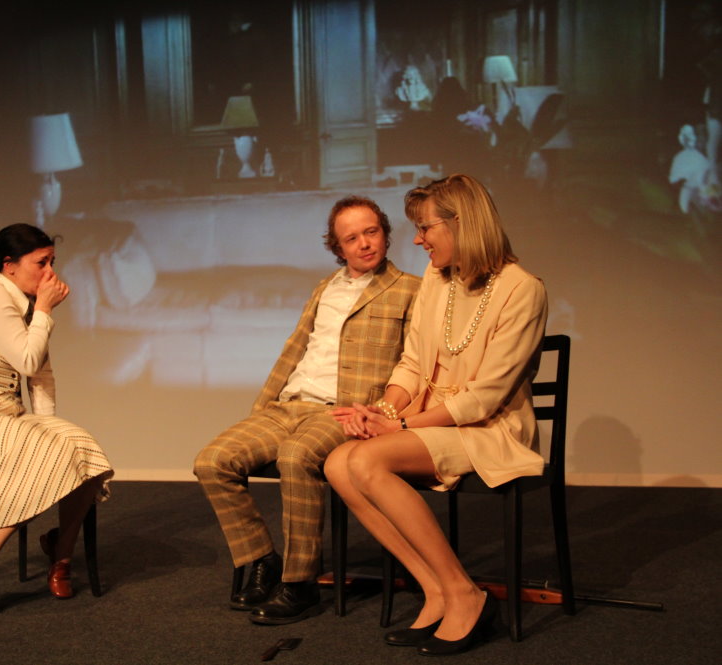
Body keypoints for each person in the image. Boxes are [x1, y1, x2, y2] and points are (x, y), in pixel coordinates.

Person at [324, 174, 547, 655]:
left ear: (462, 224)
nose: (418, 240)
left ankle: (465, 593)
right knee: (338, 463)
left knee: (366, 460)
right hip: (429, 421)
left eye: (425, 228)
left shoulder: (523, 289)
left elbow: (483, 399)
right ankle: (436, 588)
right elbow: (412, 363)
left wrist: (401, 426)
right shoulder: (437, 278)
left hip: (490, 430)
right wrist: (383, 411)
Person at [194, 196, 420, 625]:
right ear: (338, 247)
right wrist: (262, 407)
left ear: (385, 234)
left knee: (296, 457)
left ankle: (300, 583)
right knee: (212, 461)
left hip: (344, 411)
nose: (364, 244)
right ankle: (262, 560)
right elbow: (294, 349)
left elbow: (415, 364)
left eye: (371, 232)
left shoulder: (412, 289)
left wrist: (381, 414)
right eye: (351, 238)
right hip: (288, 404)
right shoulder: (325, 287)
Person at [0, 223, 114, 621]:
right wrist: (44, 310)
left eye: (53, 262)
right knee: (46, 449)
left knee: (80, 444)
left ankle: (61, 552)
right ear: (9, 265)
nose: (50, 273)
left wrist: (47, 429)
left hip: (3, 418)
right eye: (41, 263)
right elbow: (27, 360)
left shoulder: (25, 304)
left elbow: (40, 375)